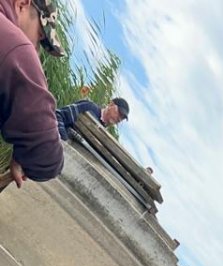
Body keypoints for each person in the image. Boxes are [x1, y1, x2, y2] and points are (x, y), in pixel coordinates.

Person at [0, 0, 64, 186]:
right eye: (40, 37)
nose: (36, 50)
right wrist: (23, 155)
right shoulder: (16, 48)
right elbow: (47, 158)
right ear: (22, 4)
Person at [56, 96, 130, 140]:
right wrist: (63, 140)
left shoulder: (102, 134)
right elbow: (58, 115)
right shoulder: (90, 107)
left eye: (122, 118)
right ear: (111, 104)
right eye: (119, 113)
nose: (119, 119)